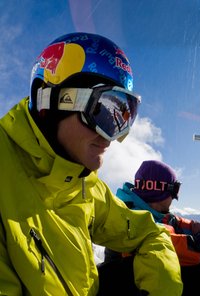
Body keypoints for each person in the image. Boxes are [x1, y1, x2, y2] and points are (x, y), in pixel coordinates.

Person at [0, 32, 182, 295]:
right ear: (50, 101)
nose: (114, 137)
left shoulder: (83, 183)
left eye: (124, 118)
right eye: (106, 112)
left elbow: (151, 233)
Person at [105, 160, 200, 296]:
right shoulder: (133, 224)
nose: (175, 197)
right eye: (174, 189)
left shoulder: (164, 217)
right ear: (159, 190)